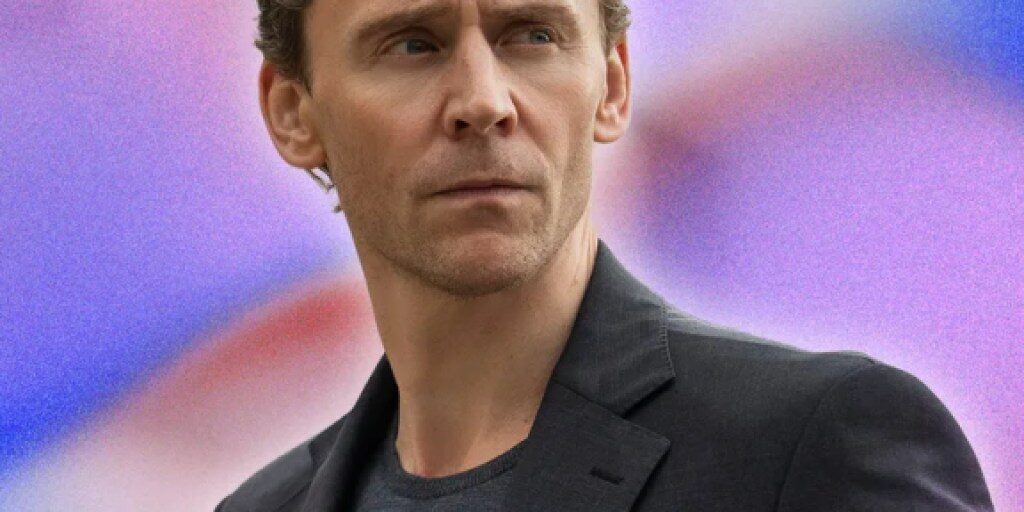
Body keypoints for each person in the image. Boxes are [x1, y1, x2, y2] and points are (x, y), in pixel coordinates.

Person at [217, 0, 994, 510]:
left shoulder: (819, 441)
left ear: (613, 84)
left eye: (533, 36)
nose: (484, 101)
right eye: (412, 44)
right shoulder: (261, 505)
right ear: (293, 113)